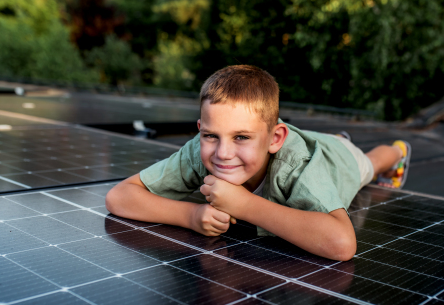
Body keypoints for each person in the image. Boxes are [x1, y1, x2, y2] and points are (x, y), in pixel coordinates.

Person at [105, 65, 410, 261]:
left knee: (368, 165)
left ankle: (396, 151)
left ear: (275, 139)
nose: (223, 153)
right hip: (303, 142)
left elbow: (342, 244)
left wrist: (244, 205)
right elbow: (119, 197)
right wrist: (192, 215)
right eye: (212, 135)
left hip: (339, 161)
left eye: (241, 137)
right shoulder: (200, 151)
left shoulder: (298, 166)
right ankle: (330, 138)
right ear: (200, 130)